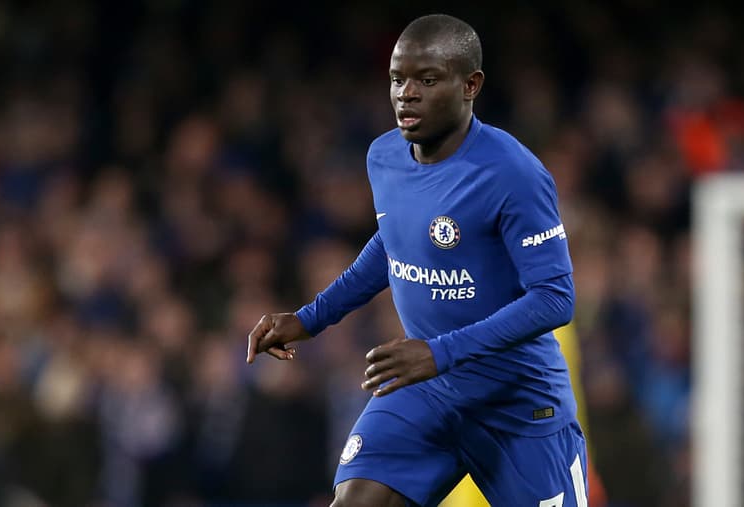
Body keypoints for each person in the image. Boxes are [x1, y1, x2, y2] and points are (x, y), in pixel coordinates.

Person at [247, 14, 587, 507]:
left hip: (517, 404)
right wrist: (309, 319)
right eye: (397, 79)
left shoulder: (513, 173)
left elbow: (555, 299)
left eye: (427, 80)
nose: (406, 94)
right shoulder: (384, 157)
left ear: (471, 85)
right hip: (427, 390)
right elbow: (393, 243)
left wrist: (438, 352)